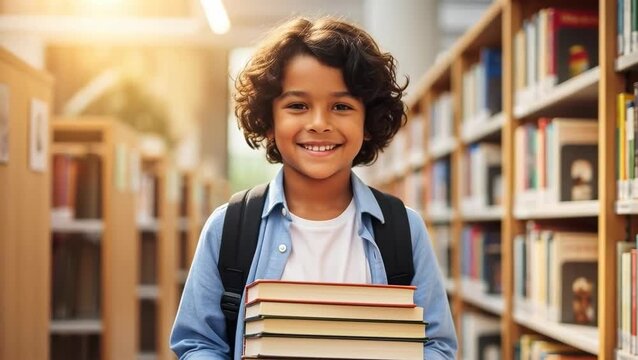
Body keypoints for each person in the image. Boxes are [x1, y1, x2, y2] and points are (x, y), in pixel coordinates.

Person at [170, 16, 458, 359]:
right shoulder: (229, 226)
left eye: (341, 106)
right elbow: (197, 343)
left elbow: (438, 346)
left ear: (368, 122)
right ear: (269, 121)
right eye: (297, 106)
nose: (319, 124)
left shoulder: (402, 229)